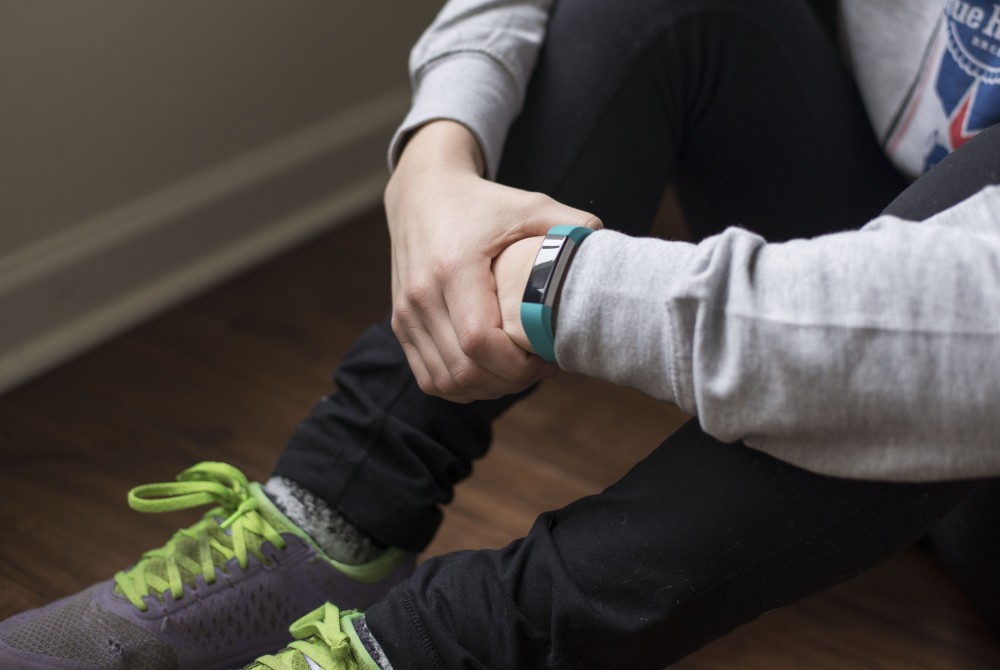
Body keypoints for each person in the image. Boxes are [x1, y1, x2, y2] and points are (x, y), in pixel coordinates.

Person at [2, 0, 999, 668]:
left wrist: (547, 280)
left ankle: (427, 649)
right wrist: (437, 160)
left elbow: (968, 327)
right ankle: (330, 519)